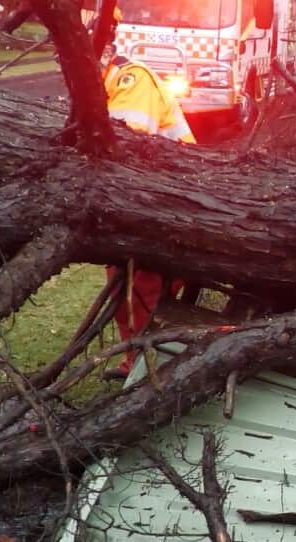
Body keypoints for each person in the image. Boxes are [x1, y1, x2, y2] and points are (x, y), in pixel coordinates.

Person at [100, 47, 196, 379]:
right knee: (121, 284)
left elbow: (122, 152)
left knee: (141, 289)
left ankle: (147, 369)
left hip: (173, 206)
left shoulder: (132, 81)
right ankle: (134, 362)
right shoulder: (112, 83)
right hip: (151, 202)